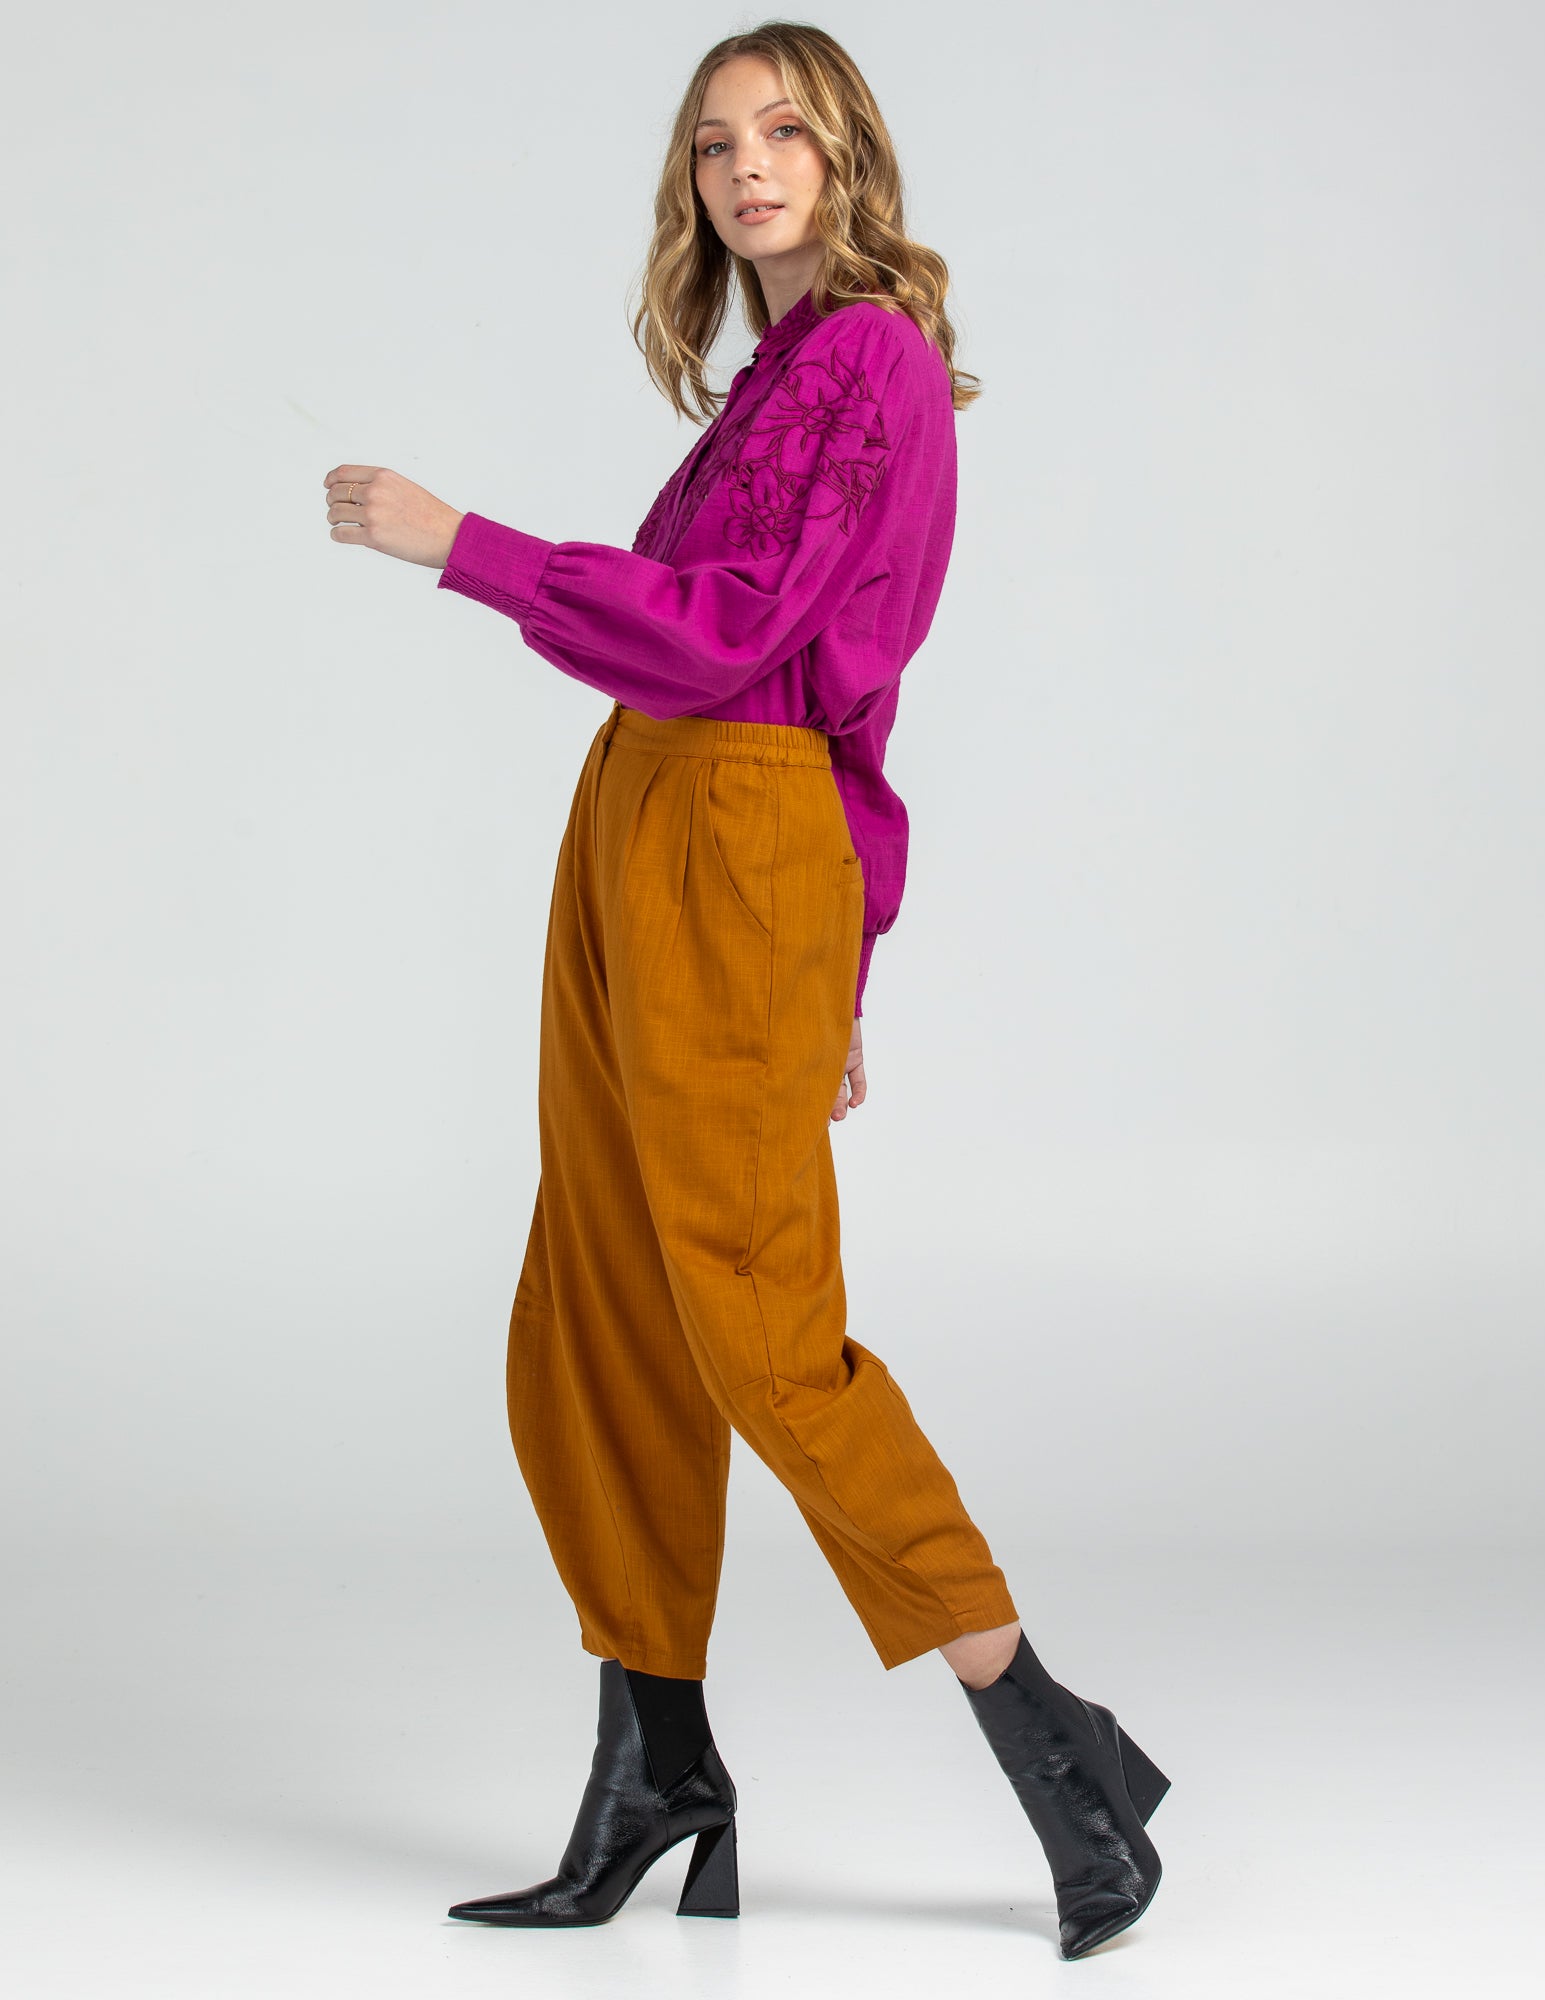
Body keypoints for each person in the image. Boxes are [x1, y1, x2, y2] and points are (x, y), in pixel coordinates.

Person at [321, 20, 1169, 1963]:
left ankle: (1056, 1742)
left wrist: (464, 545)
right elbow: (801, 680)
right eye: (714, 144)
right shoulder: (775, 377)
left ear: (847, 155)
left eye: (784, 131)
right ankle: (657, 1766)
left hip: (727, 821)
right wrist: (841, 961)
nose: (747, 166)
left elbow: (745, 645)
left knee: (760, 1326)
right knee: (598, 1301)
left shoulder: (867, 360)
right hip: (647, 822)